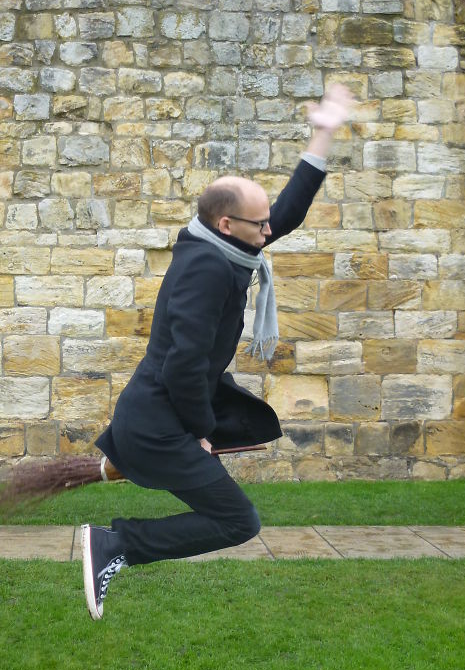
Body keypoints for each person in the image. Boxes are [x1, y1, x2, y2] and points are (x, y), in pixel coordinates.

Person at [81, 84, 354, 620]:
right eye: (260, 224)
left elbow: (288, 212)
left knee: (230, 516)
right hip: (160, 422)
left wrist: (323, 131)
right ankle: (115, 546)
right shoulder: (206, 268)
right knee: (238, 522)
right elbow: (183, 362)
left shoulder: (225, 247)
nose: (270, 230)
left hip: (158, 418)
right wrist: (201, 430)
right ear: (228, 223)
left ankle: (116, 532)